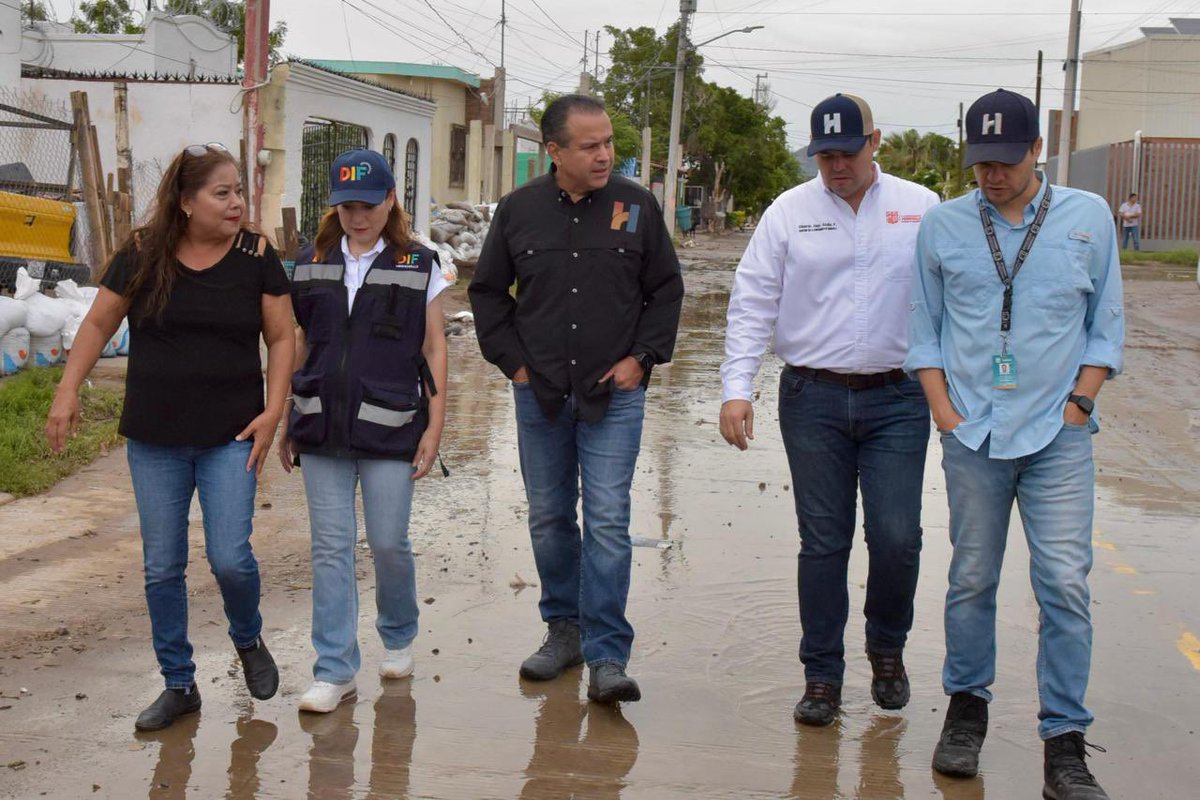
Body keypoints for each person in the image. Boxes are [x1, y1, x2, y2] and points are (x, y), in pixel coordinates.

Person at [906, 89, 1124, 799]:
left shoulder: (1087, 218)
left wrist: (1080, 404)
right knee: (972, 576)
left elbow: (1105, 325)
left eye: (1005, 160)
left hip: (1059, 435)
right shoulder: (943, 226)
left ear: (1037, 150)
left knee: (1064, 583)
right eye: (981, 162)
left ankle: (1064, 743)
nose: (992, 174)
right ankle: (966, 711)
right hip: (972, 432)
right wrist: (945, 413)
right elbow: (924, 331)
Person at [45, 143, 293, 730]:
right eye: (222, 193)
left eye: (238, 191)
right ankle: (179, 684)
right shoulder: (142, 252)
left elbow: (283, 336)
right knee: (162, 567)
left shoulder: (257, 256)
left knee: (230, 558)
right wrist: (67, 389)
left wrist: (273, 411)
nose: (236, 203)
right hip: (155, 438)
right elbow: (98, 322)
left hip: (231, 435)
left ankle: (247, 637)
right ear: (186, 202)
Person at [719, 93, 939, 727]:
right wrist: (737, 387)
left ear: (875, 142)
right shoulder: (789, 212)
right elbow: (753, 300)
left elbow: (956, 298)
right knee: (823, 541)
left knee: (896, 536)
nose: (837, 166)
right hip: (811, 398)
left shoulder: (922, 208)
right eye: (825, 155)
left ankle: (887, 649)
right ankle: (821, 675)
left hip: (899, 398)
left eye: (847, 152)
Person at [469, 94, 683, 704]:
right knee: (549, 516)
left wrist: (641, 359)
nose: (604, 154)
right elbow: (487, 293)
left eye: (608, 142)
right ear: (555, 151)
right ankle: (563, 632)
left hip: (613, 394)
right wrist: (514, 365)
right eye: (590, 146)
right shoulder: (519, 211)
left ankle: (607, 656)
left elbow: (666, 290)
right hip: (540, 395)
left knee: (608, 519)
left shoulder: (636, 206)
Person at [279, 148, 449, 713]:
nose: (358, 217)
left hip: (390, 425)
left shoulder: (419, 263)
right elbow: (301, 342)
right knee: (330, 548)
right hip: (320, 424)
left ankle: (398, 635)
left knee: (387, 541)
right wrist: (287, 418)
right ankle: (334, 670)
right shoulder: (310, 261)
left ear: (391, 200)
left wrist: (435, 427)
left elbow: (434, 347)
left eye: (369, 206)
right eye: (348, 206)